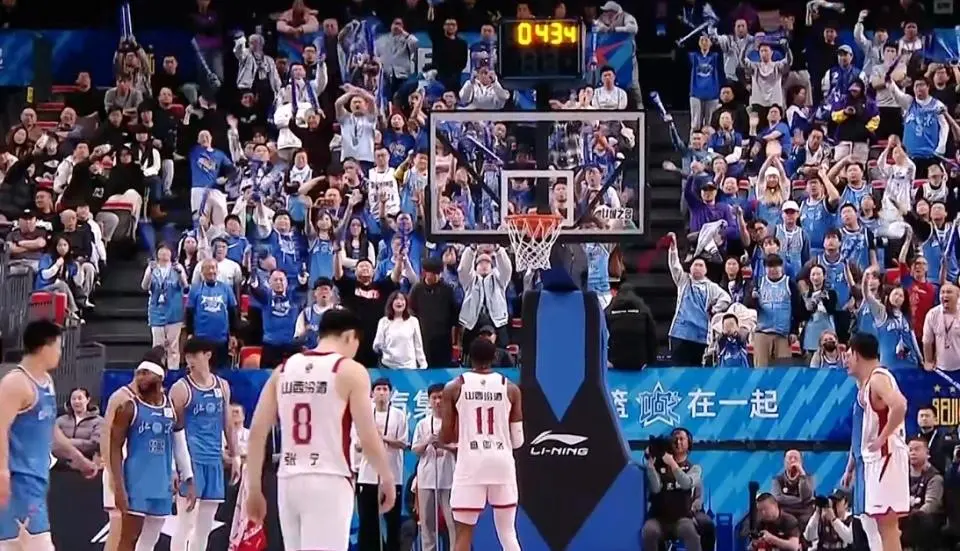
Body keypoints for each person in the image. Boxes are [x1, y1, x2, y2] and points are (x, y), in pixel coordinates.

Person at [243, 309, 397, 551]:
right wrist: (386, 477)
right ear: (349, 336)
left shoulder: (283, 370)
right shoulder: (349, 370)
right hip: (329, 477)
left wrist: (253, 487)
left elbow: (256, 433)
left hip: (289, 479)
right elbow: (367, 435)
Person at [0, 320, 97, 549]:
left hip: (37, 480)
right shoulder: (16, 383)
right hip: (18, 483)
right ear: (45, 347)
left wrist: (77, 458)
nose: (60, 353)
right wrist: (2, 473)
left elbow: (50, 429)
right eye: (58, 347)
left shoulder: (47, 382)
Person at [440, 338, 523, 551]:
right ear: (495, 357)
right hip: (501, 462)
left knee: (463, 534)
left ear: (468, 357)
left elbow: (446, 437)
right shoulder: (511, 388)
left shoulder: (454, 387)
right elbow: (518, 440)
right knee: (508, 533)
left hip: (471, 464)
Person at [109, 360, 197, 551]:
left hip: (162, 484)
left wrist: (188, 477)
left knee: (150, 539)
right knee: (129, 537)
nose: (140, 377)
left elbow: (180, 443)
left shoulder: (173, 408)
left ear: (159, 376)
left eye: (145, 373)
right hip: (136, 483)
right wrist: (118, 486)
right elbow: (114, 448)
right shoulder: (129, 408)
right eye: (138, 373)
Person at [840, 332, 910, 551]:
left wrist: (882, 438)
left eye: (848, 355)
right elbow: (860, 433)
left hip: (886, 457)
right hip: (872, 460)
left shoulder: (879, 378)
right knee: (877, 524)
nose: (845, 360)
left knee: (887, 526)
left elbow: (900, 405)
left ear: (857, 354)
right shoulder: (865, 385)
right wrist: (851, 465)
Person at [169, 339, 241, 551]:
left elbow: (227, 422)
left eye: (194, 355)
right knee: (185, 524)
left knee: (204, 528)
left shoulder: (222, 386)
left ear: (207, 355)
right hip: (191, 462)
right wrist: (174, 466)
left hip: (214, 461)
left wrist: (235, 455)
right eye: (187, 356)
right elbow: (171, 430)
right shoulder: (181, 389)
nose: (190, 360)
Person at [411, 383, 456, 551]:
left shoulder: (454, 422)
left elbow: (460, 448)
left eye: (441, 397)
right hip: (426, 478)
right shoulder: (422, 424)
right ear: (429, 401)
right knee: (427, 523)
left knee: (452, 521)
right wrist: (427, 442)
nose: (438, 401)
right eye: (434, 398)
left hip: (449, 478)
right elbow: (415, 449)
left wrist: (444, 445)